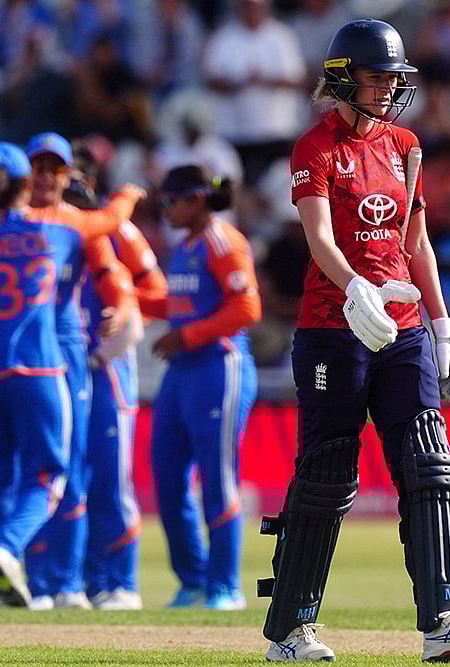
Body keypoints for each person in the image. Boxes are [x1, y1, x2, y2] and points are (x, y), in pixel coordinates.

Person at [260, 19, 450, 662]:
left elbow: (416, 242)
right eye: (377, 77)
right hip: (333, 330)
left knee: (430, 462)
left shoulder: (407, 144)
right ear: (343, 79)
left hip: (404, 327)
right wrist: (353, 290)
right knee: (328, 474)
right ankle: (291, 629)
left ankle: (445, 619)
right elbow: (319, 238)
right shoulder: (314, 146)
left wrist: (443, 324)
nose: (390, 88)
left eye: (395, 77)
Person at [0, 143, 140, 608]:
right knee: (53, 475)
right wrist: (129, 194)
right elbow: (108, 222)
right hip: (41, 365)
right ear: (27, 182)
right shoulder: (57, 229)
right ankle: (11, 555)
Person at [20, 132, 140, 611]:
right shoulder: (20, 224)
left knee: (95, 474)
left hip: (88, 362)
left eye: (63, 170)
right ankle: (38, 578)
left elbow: (135, 284)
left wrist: (124, 313)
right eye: (41, 169)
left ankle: (109, 580)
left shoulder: (90, 227)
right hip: (29, 362)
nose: (52, 179)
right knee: (35, 472)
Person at [140, 165, 260, 611]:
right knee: (168, 477)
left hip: (219, 367)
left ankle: (224, 586)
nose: (165, 210)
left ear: (196, 200)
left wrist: (184, 336)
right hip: (183, 372)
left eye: (171, 202)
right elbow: (178, 303)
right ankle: (191, 581)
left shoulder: (222, 241)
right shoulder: (186, 245)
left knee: (217, 476)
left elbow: (247, 308)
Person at [65, 158, 167, 610]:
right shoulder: (44, 228)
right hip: (61, 369)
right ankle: (71, 581)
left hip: (105, 369)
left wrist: (124, 307)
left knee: (109, 477)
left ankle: (119, 581)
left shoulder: (117, 232)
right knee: (66, 477)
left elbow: (158, 294)